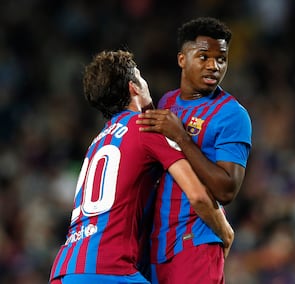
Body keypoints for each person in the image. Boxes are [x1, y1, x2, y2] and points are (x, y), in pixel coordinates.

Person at [49, 50, 234, 284]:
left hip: (65, 269)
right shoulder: (146, 127)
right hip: (109, 270)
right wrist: (225, 232)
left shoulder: (97, 142)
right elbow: (197, 195)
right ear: (133, 87)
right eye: (141, 77)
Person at [138, 17, 252, 283]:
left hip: (195, 244)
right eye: (204, 57)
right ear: (182, 60)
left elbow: (227, 189)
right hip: (155, 248)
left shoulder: (232, 115)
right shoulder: (167, 102)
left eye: (221, 59)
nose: (214, 66)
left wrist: (182, 138)